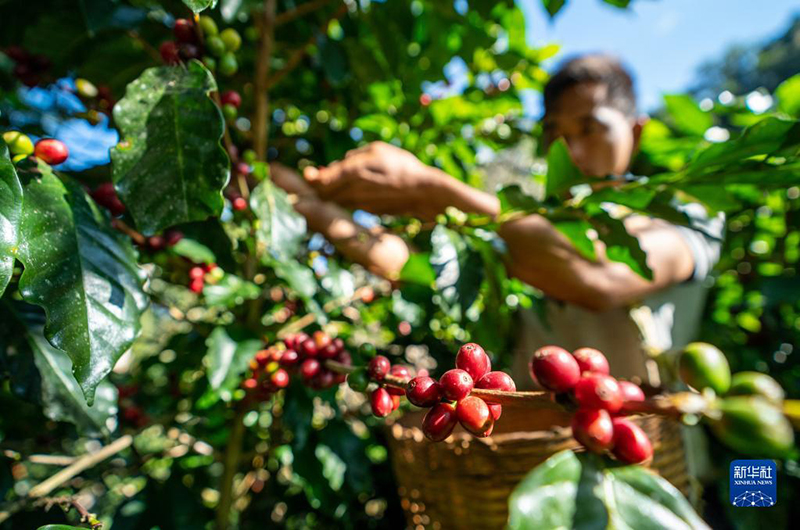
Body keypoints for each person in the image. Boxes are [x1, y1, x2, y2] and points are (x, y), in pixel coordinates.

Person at [283, 54, 723, 387]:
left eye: (590, 129)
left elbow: (600, 276)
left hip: (655, 460)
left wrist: (429, 190)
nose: (570, 152)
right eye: (556, 135)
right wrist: (302, 203)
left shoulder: (680, 215)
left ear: (635, 130)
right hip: (533, 458)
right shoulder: (528, 223)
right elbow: (402, 262)